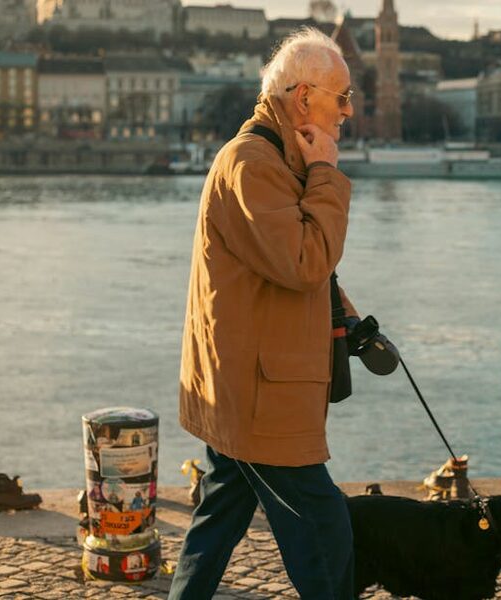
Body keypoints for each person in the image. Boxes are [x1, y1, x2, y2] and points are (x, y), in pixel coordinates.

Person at [169, 28, 359, 600]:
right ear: (303, 98)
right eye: (341, 97)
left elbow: (282, 266)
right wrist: (326, 174)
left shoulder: (272, 157)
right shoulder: (253, 163)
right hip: (259, 394)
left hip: (246, 383)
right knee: (324, 533)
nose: (348, 112)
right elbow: (304, 261)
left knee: (218, 520)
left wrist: (348, 318)